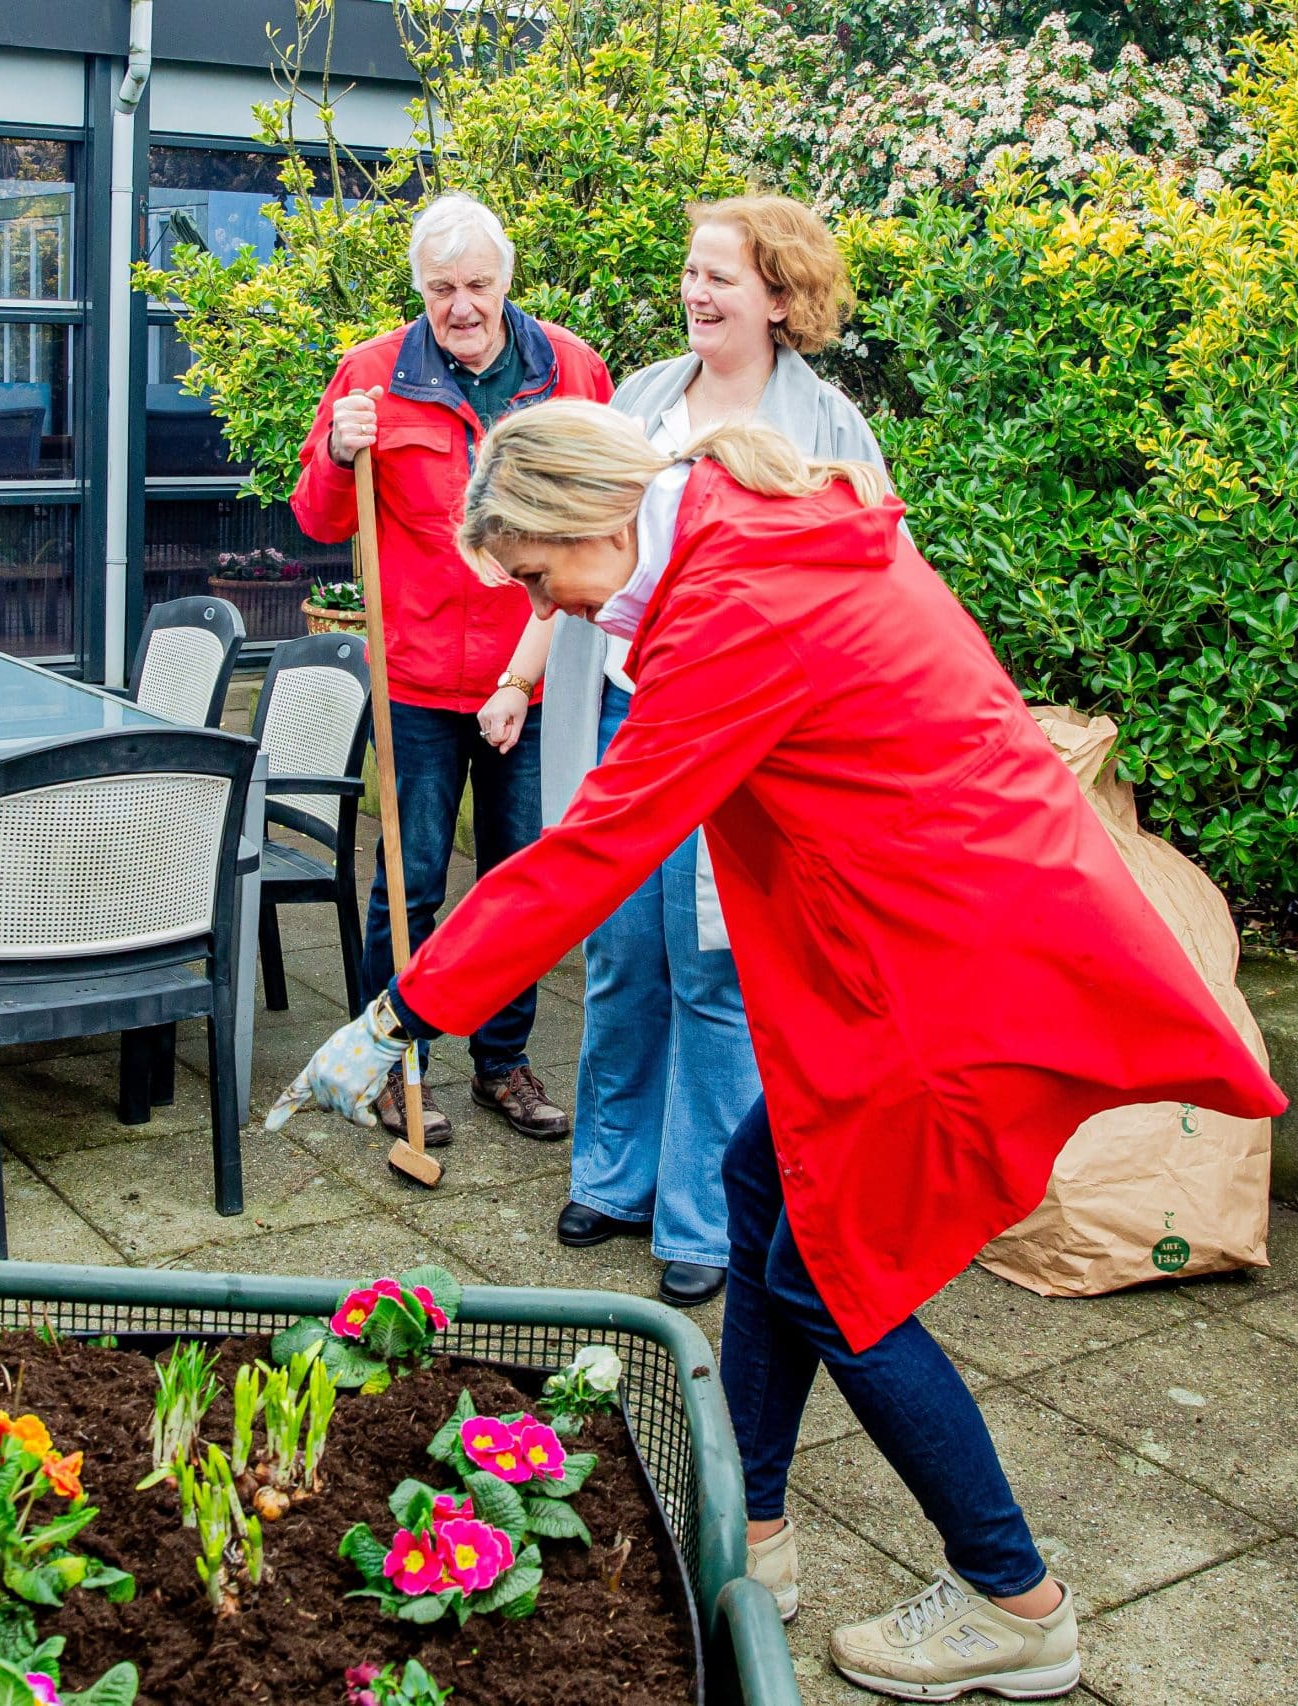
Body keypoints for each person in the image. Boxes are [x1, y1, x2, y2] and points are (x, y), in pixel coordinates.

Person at [269, 402, 1285, 1700]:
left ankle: (1015, 1600)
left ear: (593, 519)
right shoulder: (736, 530)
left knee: (832, 1277)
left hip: (934, 974)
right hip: (938, 932)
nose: (554, 610)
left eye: (537, 577)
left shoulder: (734, 608)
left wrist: (402, 1010)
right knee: (764, 1185)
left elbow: (595, 848)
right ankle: (752, 1528)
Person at [502, 196, 888, 1307]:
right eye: (690, 271)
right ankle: (611, 1178)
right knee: (623, 953)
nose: (697, 292)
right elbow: (564, 550)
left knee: (716, 969)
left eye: (721, 275)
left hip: (744, 743)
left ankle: (700, 1212)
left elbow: (861, 590)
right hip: (632, 717)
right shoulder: (639, 401)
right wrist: (522, 672)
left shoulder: (826, 427)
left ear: (780, 295)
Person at [289, 193, 612, 1145]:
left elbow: (610, 509)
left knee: (523, 879)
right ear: (420, 289)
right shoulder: (372, 375)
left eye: (477, 286)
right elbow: (319, 520)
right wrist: (339, 452)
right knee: (410, 878)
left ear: (506, 281)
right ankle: (391, 1060)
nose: (461, 307)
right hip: (421, 678)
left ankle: (502, 1062)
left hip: (538, 673)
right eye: (441, 290)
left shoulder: (569, 369)